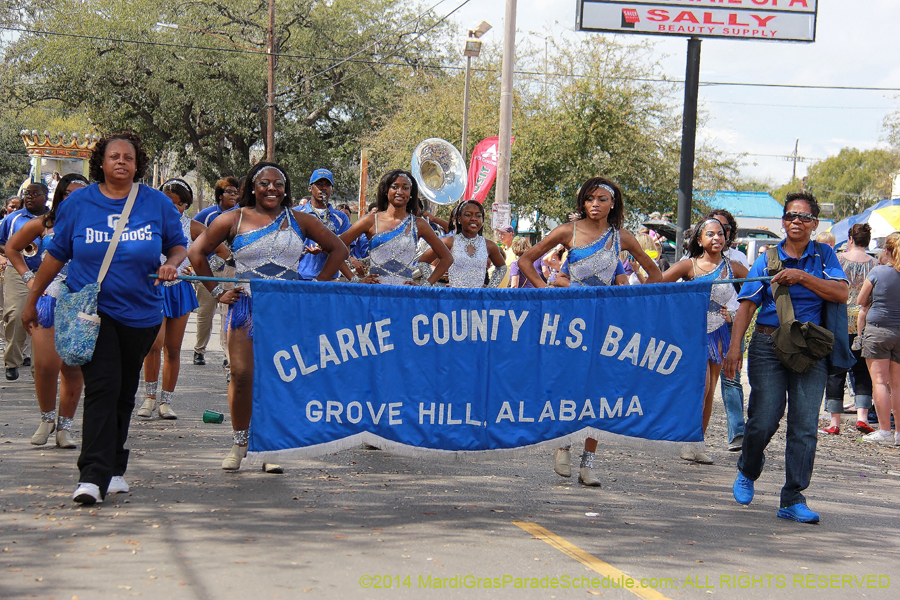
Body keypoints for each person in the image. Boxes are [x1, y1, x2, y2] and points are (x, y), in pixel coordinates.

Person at [22, 131, 188, 505]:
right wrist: (32, 299)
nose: (121, 163)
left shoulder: (157, 203)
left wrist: (172, 264)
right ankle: (91, 476)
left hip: (141, 313)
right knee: (103, 386)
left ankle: (114, 468)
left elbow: (177, 245)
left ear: (137, 164)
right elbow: (56, 254)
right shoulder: (78, 203)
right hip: (91, 313)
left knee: (124, 392)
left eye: (128, 158)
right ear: (102, 161)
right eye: (114, 156)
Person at [189, 162, 348, 472]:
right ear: (253, 186)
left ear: (286, 189)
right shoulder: (232, 219)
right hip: (245, 307)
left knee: (278, 376)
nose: (272, 188)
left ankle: (270, 447)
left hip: (286, 311)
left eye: (278, 183)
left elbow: (338, 250)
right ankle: (239, 442)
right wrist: (217, 290)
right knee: (242, 374)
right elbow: (197, 253)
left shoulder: (301, 220)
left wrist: (315, 288)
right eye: (265, 183)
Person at [518, 177, 662, 487]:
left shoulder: (623, 237)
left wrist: (630, 301)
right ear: (582, 203)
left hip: (608, 323)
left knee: (600, 392)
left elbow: (655, 274)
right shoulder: (566, 232)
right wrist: (546, 291)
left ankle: (589, 464)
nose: (594, 204)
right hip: (571, 323)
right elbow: (526, 260)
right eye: (589, 199)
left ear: (613, 204)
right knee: (569, 385)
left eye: (601, 199)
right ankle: (563, 445)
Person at [724, 192, 849, 524]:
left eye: (804, 217)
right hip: (768, 346)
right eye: (791, 216)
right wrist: (734, 349)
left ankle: (793, 498)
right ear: (783, 221)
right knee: (763, 419)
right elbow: (747, 305)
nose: (797, 222)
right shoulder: (766, 259)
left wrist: (803, 277)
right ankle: (748, 468)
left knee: (805, 426)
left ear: (814, 224)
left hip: (810, 350)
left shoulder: (824, 256)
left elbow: (841, 292)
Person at [7, 174, 88, 449]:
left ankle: (65, 427)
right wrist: (29, 279)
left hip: (81, 302)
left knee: (72, 365)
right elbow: (12, 248)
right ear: (60, 196)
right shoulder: (45, 223)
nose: (73, 198)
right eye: (68, 193)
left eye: (81, 193)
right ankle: (46, 419)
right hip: (48, 300)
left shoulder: (98, 226)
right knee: (44, 366)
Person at [139, 179, 230, 421]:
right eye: (170, 202)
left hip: (180, 289)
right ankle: (149, 398)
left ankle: (166, 401)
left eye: (181, 203)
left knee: (173, 349)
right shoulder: (146, 223)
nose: (175, 207)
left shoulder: (192, 227)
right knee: (153, 345)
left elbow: (224, 253)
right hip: (153, 289)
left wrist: (197, 270)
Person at [663, 218, 749, 464]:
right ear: (699, 239)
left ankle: (698, 442)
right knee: (701, 389)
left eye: (720, 234)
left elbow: (757, 294)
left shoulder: (735, 268)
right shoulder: (688, 266)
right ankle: (686, 440)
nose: (716, 238)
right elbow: (657, 287)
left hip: (720, 333)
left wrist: (733, 314)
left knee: (710, 392)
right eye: (710, 234)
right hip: (693, 334)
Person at [338, 169, 452, 286]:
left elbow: (447, 258)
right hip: (374, 294)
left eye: (405, 188)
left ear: (411, 194)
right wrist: (355, 280)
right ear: (386, 191)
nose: (400, 191)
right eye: (395, 187)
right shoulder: (370, 221)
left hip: (404, 296)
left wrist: (426, 285)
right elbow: (334, 248)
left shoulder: (419, 224)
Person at [821, 224, 875, 435]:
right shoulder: (875, 263)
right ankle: (862, 417)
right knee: (862, 371)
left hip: (839, 320)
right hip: (865, 322)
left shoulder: (839, 260)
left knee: (836, 370)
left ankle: (834, 422)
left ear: (850, 239)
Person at [707, 209, 750, 452]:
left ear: (729, 234)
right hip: (701, 328)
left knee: (731, 377)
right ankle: (693, 436)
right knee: (703, 383)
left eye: (722, 229)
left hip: (731, 325)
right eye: (710, 229)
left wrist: (734, 315)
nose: (717, 234)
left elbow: (752, 294)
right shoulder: (693, 259)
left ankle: (738, 433)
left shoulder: (737, 261)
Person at [0, 183, 49, 380]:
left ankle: (39, 368)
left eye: (34, 194)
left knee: (43, 319)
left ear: (45, 196)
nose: (29, 197)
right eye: (26, 194)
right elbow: (2, 242)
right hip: (18, 271)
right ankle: (12, 360)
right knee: (15, 314)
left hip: (45, 273)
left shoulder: (52, 219)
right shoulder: (13, 218)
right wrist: (14, 251)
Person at [855, 231, 900, 445]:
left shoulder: (878, 271)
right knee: (898, 385)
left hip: (878, 330)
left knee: (880, 382)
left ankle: (885, 431)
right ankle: (899, 432)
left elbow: (862, 300)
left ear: (888, 251)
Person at [192, 176, 239, 366]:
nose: (233, 196)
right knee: (205, 313)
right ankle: (199, 350)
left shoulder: (241, 215)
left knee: (228, 314)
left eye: (236, 192)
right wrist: (203, 268)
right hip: (208, 271)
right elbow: (192, 237)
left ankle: (228, 355)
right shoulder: (208, 215)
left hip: (231, 271)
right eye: (229, 191)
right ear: (220, 194)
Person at [418, 200, 506, 288]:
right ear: (459, 219)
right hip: (454, 298)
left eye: (478, 215)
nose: (474, 218)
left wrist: (490, 289)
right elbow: (423, 262)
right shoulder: (449, 242)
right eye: (468, 215)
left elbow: (502, 268)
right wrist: (435, 287)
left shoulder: (489, 245)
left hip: (477, 299)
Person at [297, 169, 350, 280]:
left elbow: (345, 251)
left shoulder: (341, 218)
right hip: (300, 277)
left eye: (327, 185)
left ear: (332, 190)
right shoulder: (297, 214)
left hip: (330, 279)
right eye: (319, 184)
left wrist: (324, 249)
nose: (323, 188)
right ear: (310, 188)